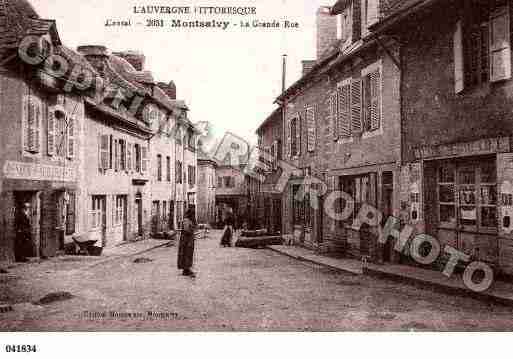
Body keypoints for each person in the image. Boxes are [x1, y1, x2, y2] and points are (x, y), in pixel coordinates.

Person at [177, 208, 197, 277]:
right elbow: (186, 230)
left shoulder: (190, 221)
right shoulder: (186, 220)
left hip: (189, 240)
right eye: (192, 214)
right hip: (186, 240)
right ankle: (186, 269)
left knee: (189, 254)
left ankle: (187, 269)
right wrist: (191, 231)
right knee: (186, 254)